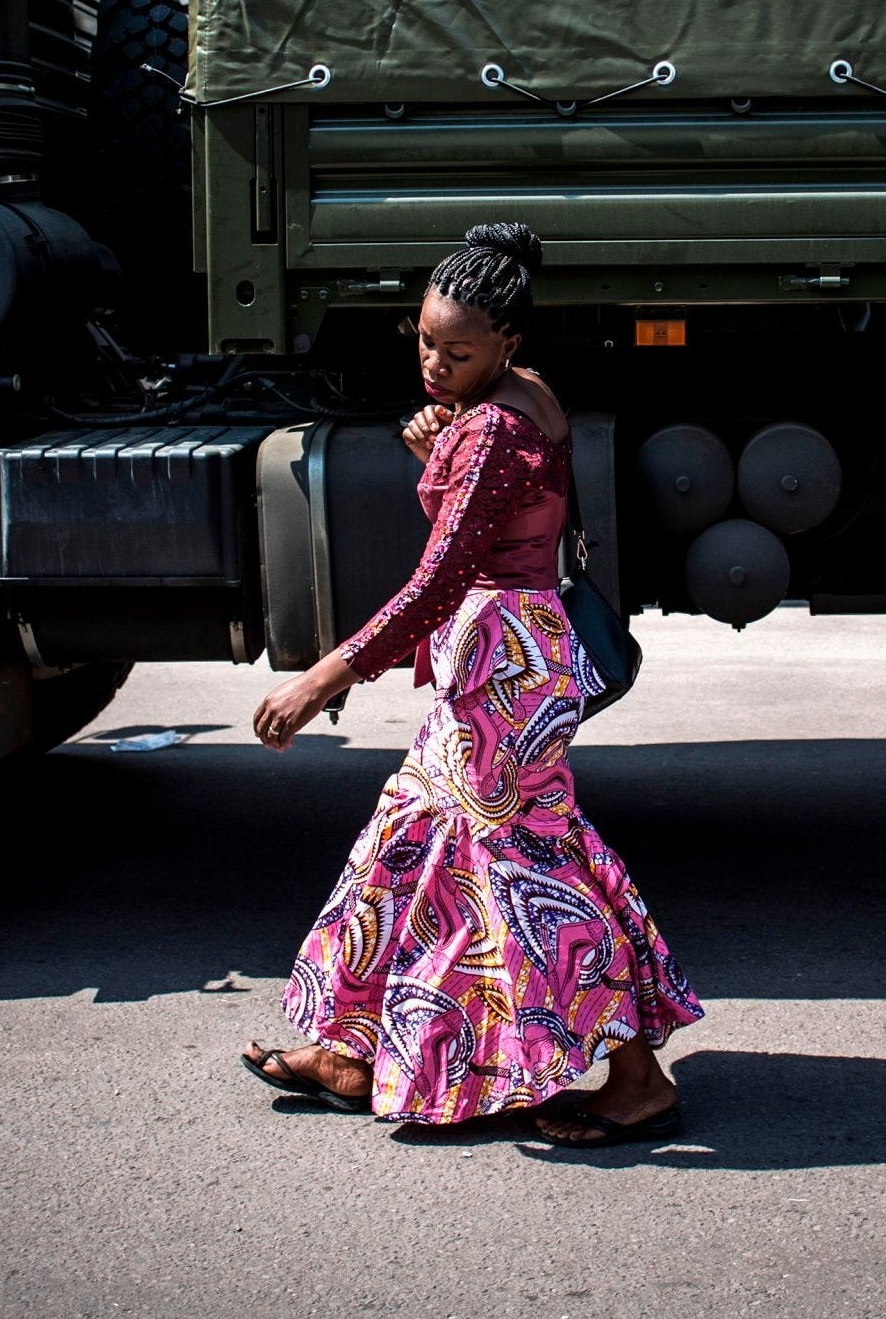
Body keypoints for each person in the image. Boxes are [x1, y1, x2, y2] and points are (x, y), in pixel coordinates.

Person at [241, 221, 704, 1146]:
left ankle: (639, 1079)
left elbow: (439, 580)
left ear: (506, 342)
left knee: (529, 870)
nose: (434, 363)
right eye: (424, 341)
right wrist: (441, 454)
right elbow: (506, 508)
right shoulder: (525, 394)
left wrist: (322, 676)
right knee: (408, 836)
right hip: (510, 656)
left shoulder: (491, 426)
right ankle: (350, 1050)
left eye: (457, 352)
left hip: (504, 669)